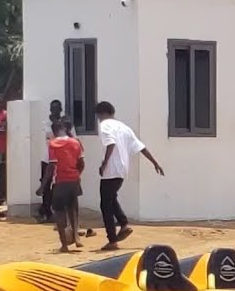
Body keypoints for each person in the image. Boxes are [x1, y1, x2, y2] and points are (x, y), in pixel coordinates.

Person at [94, 101, 163, 251]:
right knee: (111, 199)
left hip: (110, 171)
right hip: (122, 170)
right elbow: (141, 147)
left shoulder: (104, 125)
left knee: (105, 204)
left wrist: (104, 163)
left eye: (98, 116)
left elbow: (110, 144)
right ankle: (123, 224)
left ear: (101, 114)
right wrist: (155, 162)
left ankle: (112, 240)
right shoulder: (124, 127)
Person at [41, 118, 85, 252]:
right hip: (74, 180)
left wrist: (43, 186)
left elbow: (51, 167)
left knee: (59, 212)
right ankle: (76, 236)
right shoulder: (76, 142)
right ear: (65, 129)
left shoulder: (52, 144)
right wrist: (77, 175)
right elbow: (81, 163)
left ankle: (64, 245)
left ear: (54, 132)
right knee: (73, 208)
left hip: (60, 181)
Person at [36, 100, 62, 223]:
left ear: (61, 109)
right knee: (45, 183)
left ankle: (51, 209)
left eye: (57, 108)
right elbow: (50, 137)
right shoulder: (45, 123)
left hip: (61, 158)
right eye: (53, 108)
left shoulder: (65, 123)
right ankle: (46, 210)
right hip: (47, 157)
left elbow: (71, 137)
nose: (55, 111)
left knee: (58, 185)